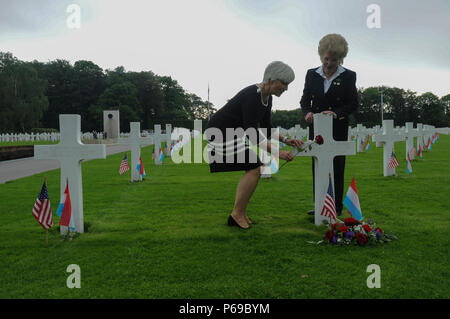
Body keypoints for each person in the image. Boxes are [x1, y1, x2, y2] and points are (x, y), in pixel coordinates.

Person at [206, 61, 304, 229]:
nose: (286, 88)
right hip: (220, 133)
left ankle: (239, 214)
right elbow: (252, 133)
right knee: (254, 168)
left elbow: (266, 127)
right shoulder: (252, 96)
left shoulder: (267, 98)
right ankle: (236, 215)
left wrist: (285, 140)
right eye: (284, 83)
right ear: (271, 79)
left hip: (232, 134)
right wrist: (277, 153)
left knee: (254, 168)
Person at [299, 34, 358, 217]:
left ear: (341, 58)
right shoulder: (311, 74)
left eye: (334, 60)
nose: (329, 63)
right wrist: (307, 112)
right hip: (316, 129)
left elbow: (353, 104)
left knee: (337, 168)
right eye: (326, 59)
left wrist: (336, 113)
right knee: (318, 167)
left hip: (337, 129)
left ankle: (336, 208)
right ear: (320, 55)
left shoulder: (349, 76)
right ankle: (320, 206)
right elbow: (304, 100)